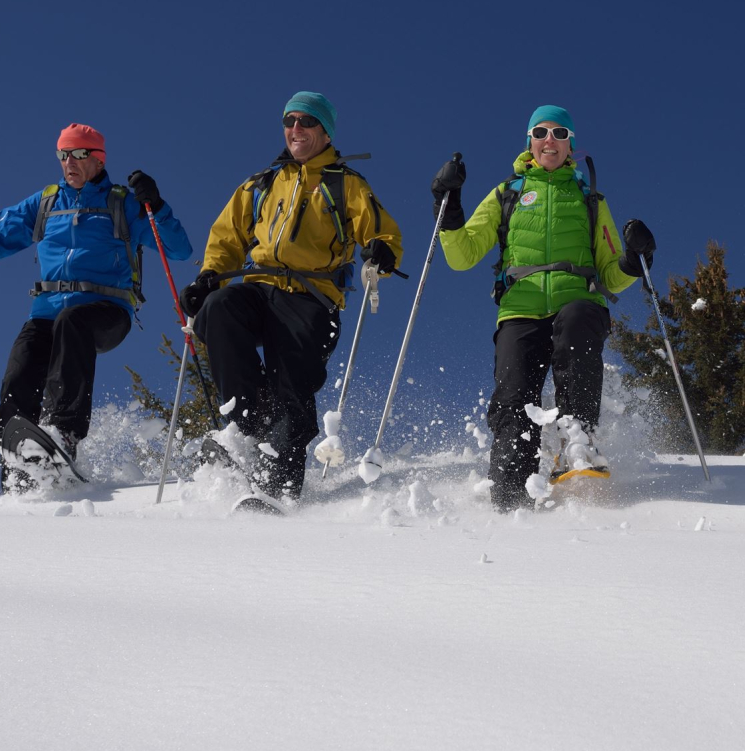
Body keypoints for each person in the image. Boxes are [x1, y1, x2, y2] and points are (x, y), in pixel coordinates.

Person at [0, 123, 190, 489]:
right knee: (23, 363)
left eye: (79, 154)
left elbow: (178, 249)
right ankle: (19, 465)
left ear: (98, 159)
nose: (70, 162)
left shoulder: (121, 202)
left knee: (73, 321)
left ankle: (62, 434)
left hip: (107, 311)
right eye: (63, 154)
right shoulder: (45, 203)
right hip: (47, 313)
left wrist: (156, 206)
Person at [179, 91, 403, 502]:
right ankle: (247, 425)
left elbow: (379, 230)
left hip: (311, 296)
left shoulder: (344, 184)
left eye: (307, 121)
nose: (296, 128)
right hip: (258, 287)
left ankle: (277, 485)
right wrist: (209, 276)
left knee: (291, 384)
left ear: (325, 131)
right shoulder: (263, 183)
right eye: (290, 120)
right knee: (220, 308)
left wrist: (381, 250)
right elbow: (227, 236)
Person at [430, 104, 651, 512]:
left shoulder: (589, 199)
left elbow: (610, 271)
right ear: (529, 141)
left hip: (577, 298)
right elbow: (462, 256)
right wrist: (450, 205)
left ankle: (577, 441)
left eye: (560, 133)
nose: (551, 139)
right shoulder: (507, 194)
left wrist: (634, 261)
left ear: (571, 145)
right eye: (541, 131)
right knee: (514, 396)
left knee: (578, 321)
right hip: (520, 307)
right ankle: (511, 495)